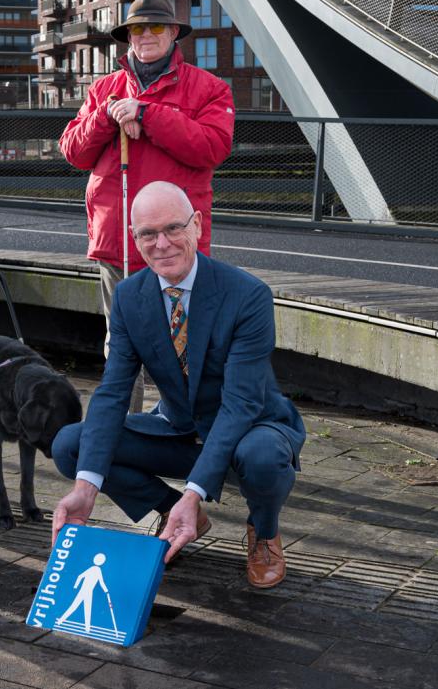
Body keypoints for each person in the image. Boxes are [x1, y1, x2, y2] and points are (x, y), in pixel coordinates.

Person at [50, 181, 305, 590]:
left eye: (173, 229)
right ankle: (175, 512)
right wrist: (85, 490)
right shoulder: (131, 297)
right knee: (72, 446)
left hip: (250, 427)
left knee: (263, 457)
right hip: (179, 428)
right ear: (134, 238)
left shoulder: (247, 295)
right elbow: (114, 391)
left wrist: (195, 491)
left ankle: (264, 530)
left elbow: (240, 404)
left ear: (197, 226)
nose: (162, 244)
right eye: (148, 234)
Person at [59, 0, 234, 413]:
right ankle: (125, 438)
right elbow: (73, 151)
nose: (145, 34)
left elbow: (211, 147)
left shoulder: (208, 89)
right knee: (120, 349)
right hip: (117, 245)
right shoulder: (105, 91)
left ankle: (189, 434)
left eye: (156, 25)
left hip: (175, 248)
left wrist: (148, 115)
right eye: (137, 27)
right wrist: (110, 116)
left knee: (184, 350)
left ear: (174, 32)